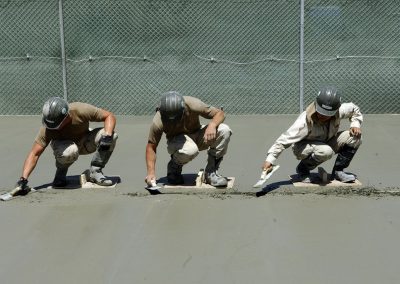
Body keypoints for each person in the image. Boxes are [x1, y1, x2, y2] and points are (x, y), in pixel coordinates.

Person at [262, 86, 363, 183]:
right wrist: (270, 160)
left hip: (326, 140)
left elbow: (354, 109)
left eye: (327, 114)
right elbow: (283, 141)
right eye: (321, 112)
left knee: (355, 137)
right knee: (326, 151)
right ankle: (303, 169)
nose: (323, 116)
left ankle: (338, 171)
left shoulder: (339, 110)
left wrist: (355, 124)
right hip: (303, 147)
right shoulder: (304, 121)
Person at [15, 97, 118, 191]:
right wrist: (23, 179)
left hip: (85, 141)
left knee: (111, 136)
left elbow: (109, 116)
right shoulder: (47, 129)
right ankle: (61, 173)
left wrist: (107, 135)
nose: (53, 127)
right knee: (70, 151)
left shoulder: (80, 110)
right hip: (64, 149)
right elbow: (34, 153)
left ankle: (95, 171)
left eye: (56, 124)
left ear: (67, 116)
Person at [145, 91, 232, 187]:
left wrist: (212, 125)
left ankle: (211, 172)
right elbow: (151, 146)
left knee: (224, 130)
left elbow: (220, 113)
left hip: (197, 134)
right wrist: (151, 173)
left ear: (183, 109)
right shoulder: (158, 120)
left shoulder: (192, 104)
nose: (173, 120)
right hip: (177, 141)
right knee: (190, 150)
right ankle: (174, 167)